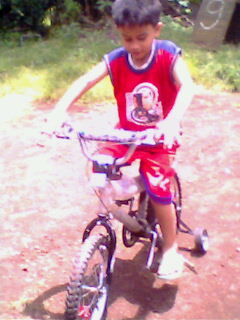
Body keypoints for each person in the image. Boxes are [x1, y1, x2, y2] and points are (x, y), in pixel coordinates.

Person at [47, 0, 195, 280]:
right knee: (96, 165)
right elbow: (85, 81)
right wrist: (58, 111)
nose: (135, 45)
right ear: (118, 32)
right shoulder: (116, 59)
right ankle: (123, 199)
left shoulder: (166, 55)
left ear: (157, 30)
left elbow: (187, 86)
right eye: (128, 38)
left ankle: (171, 248)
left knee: (159, 191)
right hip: (125, 135)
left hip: (157, 138)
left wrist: (172, 121)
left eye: (142, 37)